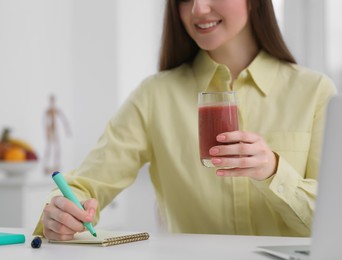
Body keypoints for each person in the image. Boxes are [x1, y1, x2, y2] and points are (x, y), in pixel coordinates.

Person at [34, 0, 337, 240]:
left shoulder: (314, 91)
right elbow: (86, 184)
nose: (198, 9)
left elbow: (334, 221)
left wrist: (274, 171)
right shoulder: (154, 96)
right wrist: (61, 212)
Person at [43, 94, 72, 174]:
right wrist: (46, 132)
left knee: (57, 148)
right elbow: (45, 122)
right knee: (49, 148)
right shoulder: (48, 111)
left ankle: (56, 165)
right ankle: (46, 165)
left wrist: (67, 130)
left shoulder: (56, 110)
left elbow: (64, 120)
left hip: (55, 132)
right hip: (50, 131)